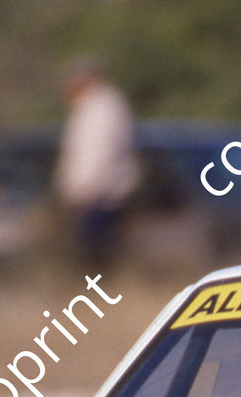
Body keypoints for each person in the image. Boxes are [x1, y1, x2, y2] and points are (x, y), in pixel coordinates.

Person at [53, 59, 139, 267]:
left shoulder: (103, 109)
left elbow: (99, 153)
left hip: (100, 194)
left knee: (97, 253)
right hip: (91, 194)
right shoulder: (88, 108)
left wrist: (83, 189)